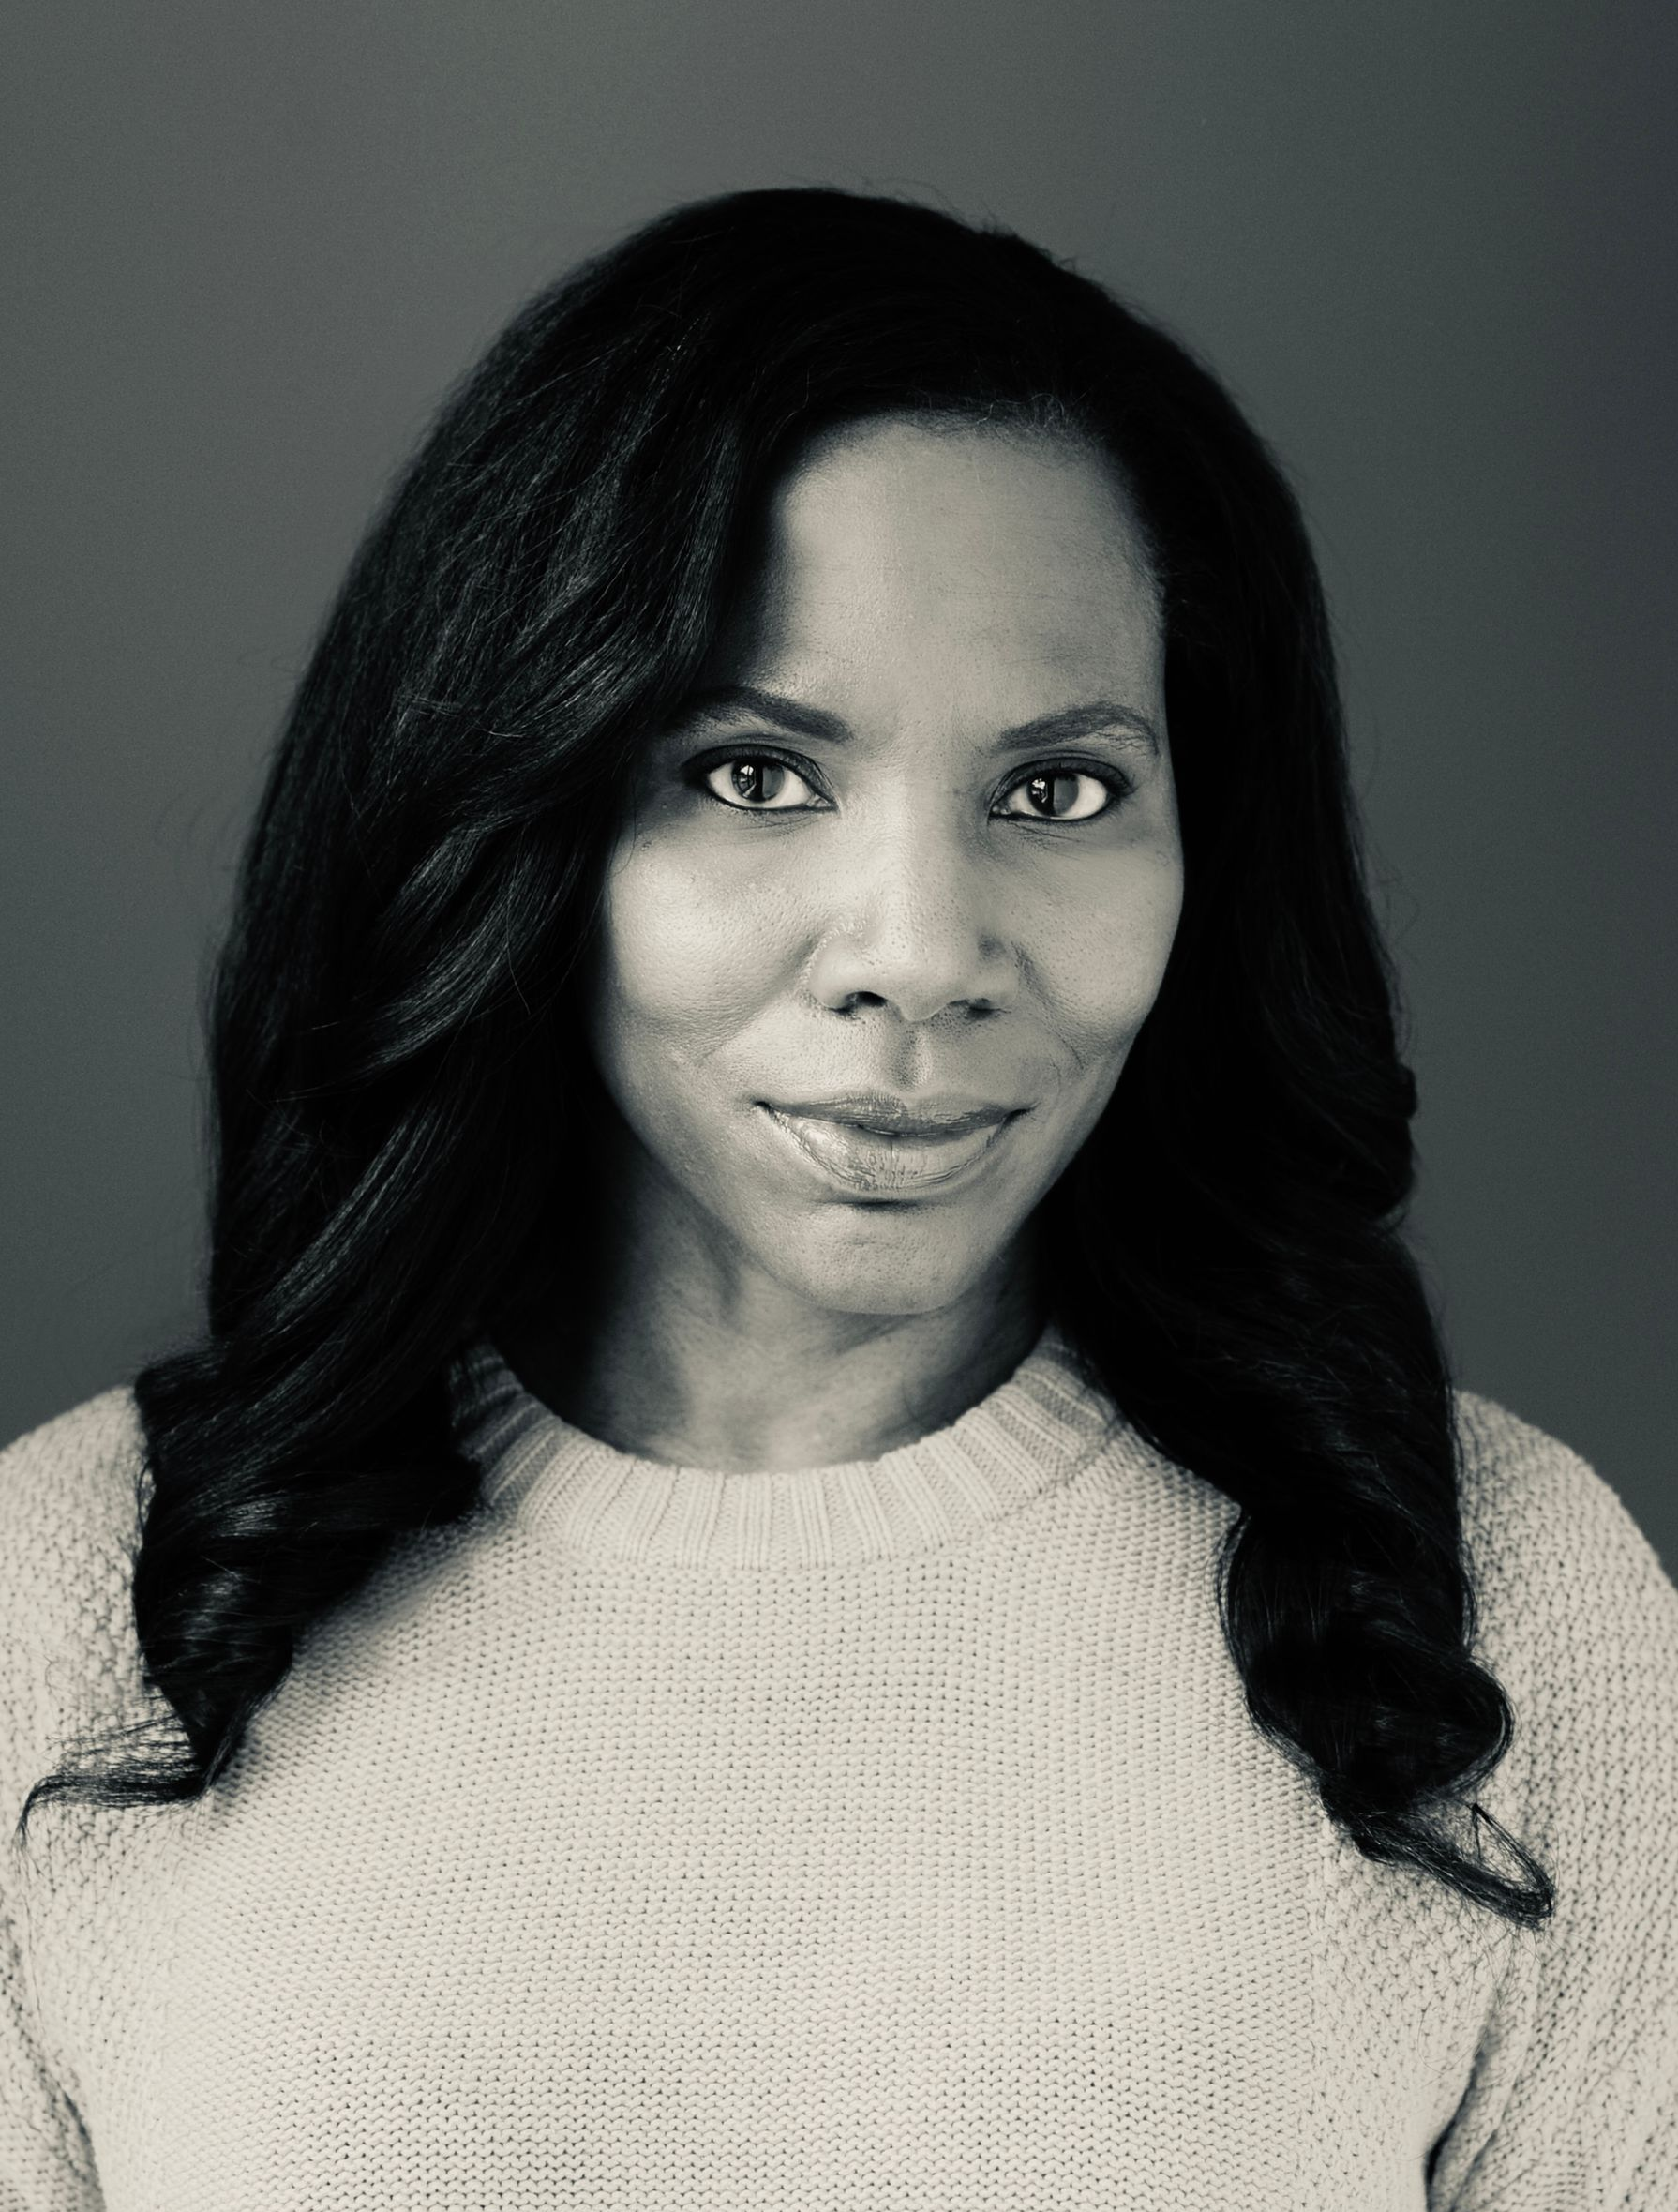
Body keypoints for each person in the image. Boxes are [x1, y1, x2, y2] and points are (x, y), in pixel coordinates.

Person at [2, 186, 1674, 2210]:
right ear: (515, 821)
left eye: (1056, 790)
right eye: (752, 772)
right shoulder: (70, 1615)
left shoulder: (1497, 1614)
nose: (921, 950)